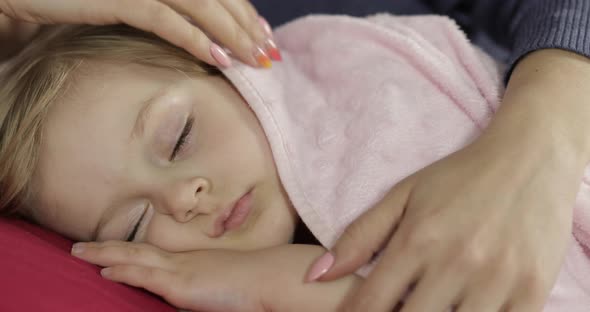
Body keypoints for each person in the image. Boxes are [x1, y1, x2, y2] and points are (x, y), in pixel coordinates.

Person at [1, 1, 590, 311]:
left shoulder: (363, 87)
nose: (183, 196)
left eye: (179, 137)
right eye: (135, 223)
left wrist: (542, 132)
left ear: (227, 69)